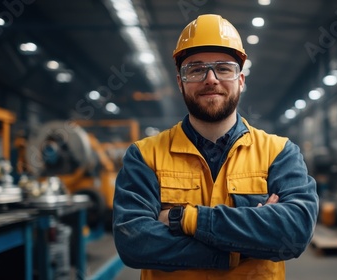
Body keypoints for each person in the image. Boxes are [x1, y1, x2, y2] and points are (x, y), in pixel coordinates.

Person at [113, 14, 318, 280]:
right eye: (196, 69)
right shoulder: (145, 155)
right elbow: (135, 243)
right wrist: (237, 250)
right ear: (180, 82)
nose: (210, 79)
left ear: (241, 80)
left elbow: (295, 232)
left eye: (223, 68)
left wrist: (183, 218)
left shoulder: (279, 152)